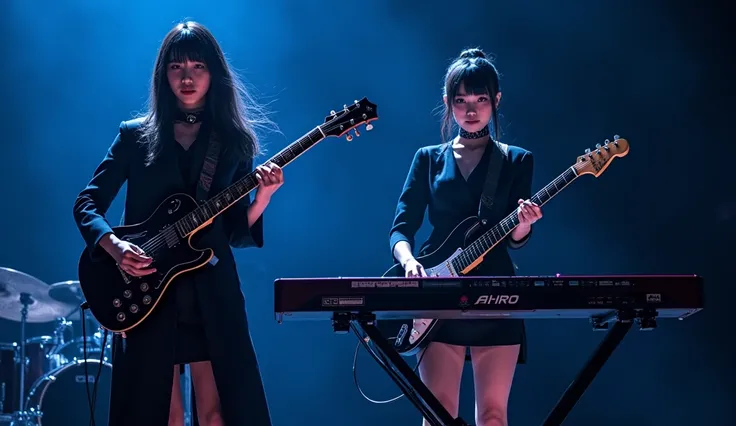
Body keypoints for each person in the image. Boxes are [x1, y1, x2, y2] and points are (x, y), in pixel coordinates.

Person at [72, 21, 282, 426]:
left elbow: (235, 230)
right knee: (160, 413)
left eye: (197, 67)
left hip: (212, 291)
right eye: (176, 67)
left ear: (213, 74)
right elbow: (87, 202)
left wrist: (263, 198)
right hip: (146, 290)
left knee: (219, 413)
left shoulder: (234, 141)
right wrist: (115, 248)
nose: (186, 77)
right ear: (163, 74)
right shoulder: (135, 137)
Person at [388, 48, 543, 426]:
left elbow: (516, 239)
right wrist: (409, 262)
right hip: (439, 289)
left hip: (496, 289)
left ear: (496, 100)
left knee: (492, 415)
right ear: (447, 102)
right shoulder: (427, 158)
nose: (471, 109)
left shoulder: (517, 159)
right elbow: (401, 228)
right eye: (461, 101)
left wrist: (524, 223)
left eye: (481, 100)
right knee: (437, 413)